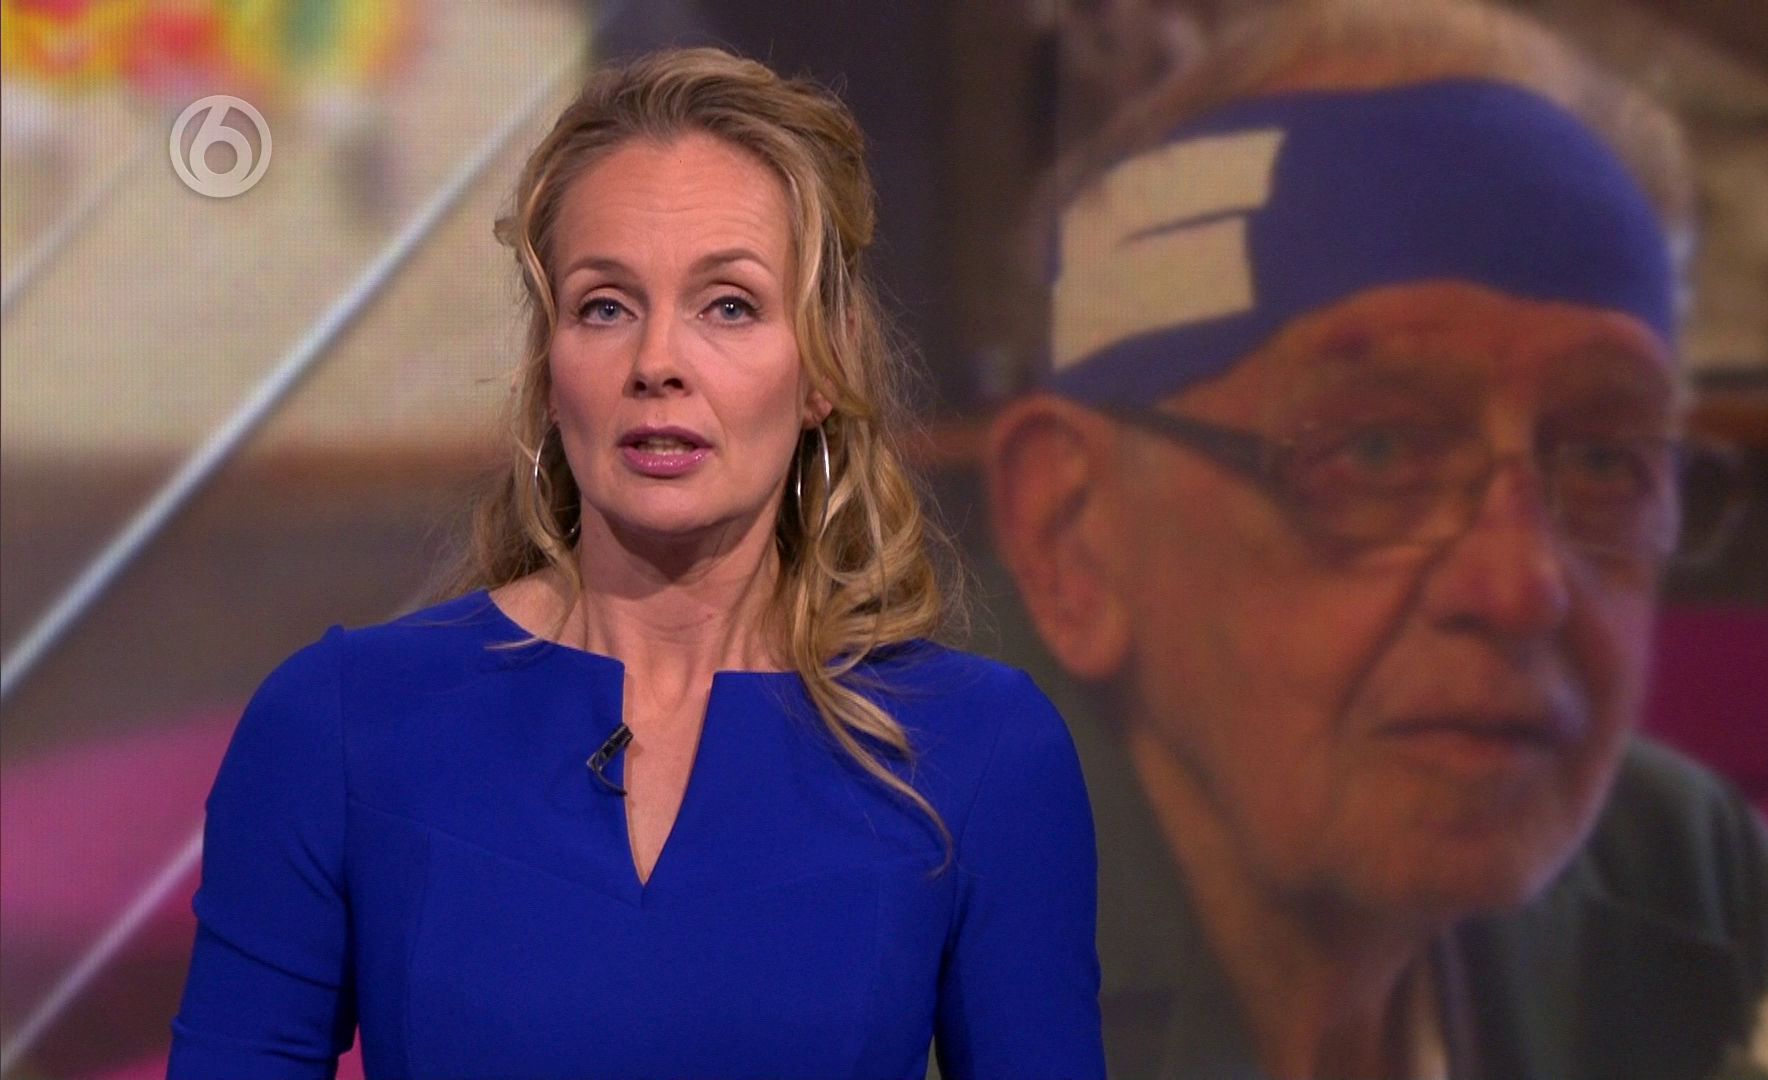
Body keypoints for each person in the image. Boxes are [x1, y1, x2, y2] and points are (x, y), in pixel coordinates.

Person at [987, 2, 1768, 1077]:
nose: (1520, 585)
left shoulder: (1678, 879)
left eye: (1605, 461)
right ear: (1075, 536)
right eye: (1375, 450)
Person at [168, 47, 1103, 1078]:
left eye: (729, 305)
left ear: (824, 363)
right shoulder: (339, 726)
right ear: (549, 364)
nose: (657, 363)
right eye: (605, 306)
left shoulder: (980, 752)